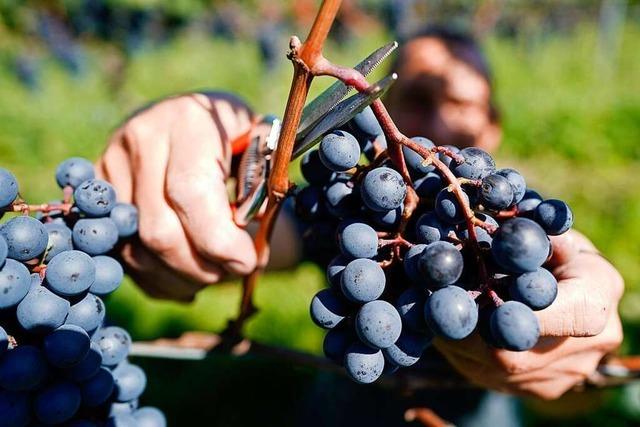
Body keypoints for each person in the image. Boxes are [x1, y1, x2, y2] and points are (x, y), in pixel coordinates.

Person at [95, 27, 623, 408]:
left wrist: (571, 364)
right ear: (379, 113)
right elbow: (263, 229)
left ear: (493, 128)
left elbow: (574, 395)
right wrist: (215, 139)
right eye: (416, 97)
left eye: (460, 102)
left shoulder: (509, 222)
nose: (438, 120)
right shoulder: (356, 208)